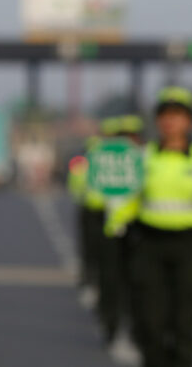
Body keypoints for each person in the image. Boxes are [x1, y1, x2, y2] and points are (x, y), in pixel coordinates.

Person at [106, 87, 192, 367]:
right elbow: (131, 198)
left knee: (183, 324)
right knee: (148, 323)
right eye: (164, 115)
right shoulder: (143, 157)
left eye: (177, 115)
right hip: (149, 245)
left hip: (189, 247)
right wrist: (117, 216)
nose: (170, 122)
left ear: (189, 121)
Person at [98, 114, 144, 363]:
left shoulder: (147, 158)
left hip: (140, 228)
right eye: (123, 136)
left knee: (138, 283)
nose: (128, 141)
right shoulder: (105, 159)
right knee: (111, 279)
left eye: (132, 136)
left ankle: (138, 329)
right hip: (110, 227)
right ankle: (111, 324)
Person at [67, 117, 119, 309]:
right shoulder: (112, 153)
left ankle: (90, 278)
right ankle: (92, 278)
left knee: (92, 249)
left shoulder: (92, 151)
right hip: (100, 209)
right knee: (96, 250)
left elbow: (77, 177)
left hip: (94, 208)